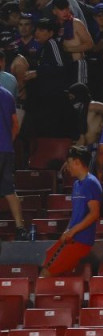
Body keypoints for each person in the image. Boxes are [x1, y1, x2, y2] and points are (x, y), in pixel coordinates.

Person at [40, 146, 100, 277]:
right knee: (48, 263)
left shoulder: (91, 183)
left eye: (68, 162)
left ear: (77, 162)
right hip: (72, 238)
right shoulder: (77, 184)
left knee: (46, 275)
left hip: (81, 240)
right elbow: (76, 214)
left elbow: (94, 214)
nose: (67, 166)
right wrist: (67, 231)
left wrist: (72, 231)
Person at [0, 83, 24, 240]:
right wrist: (8, 142)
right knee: (9, 191)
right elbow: (16, 124)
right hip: (6, 150)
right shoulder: (7, 94)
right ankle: (20, 228)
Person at [68, 82, 103, 149]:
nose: (70, 100)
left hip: (97, 147)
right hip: (85, 147)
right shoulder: (80, 110)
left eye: (72, 97)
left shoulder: (92, 106)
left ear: (79, 95)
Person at [52, 0, 93, 84]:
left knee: (78, 92)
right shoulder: (54, 26)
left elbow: (89, 44)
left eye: (67, 9)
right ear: (54, 11)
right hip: (62, 66)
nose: (65, 12)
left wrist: (69, 49)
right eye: (62, 9)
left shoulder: (76, 23)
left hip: (77, 64)